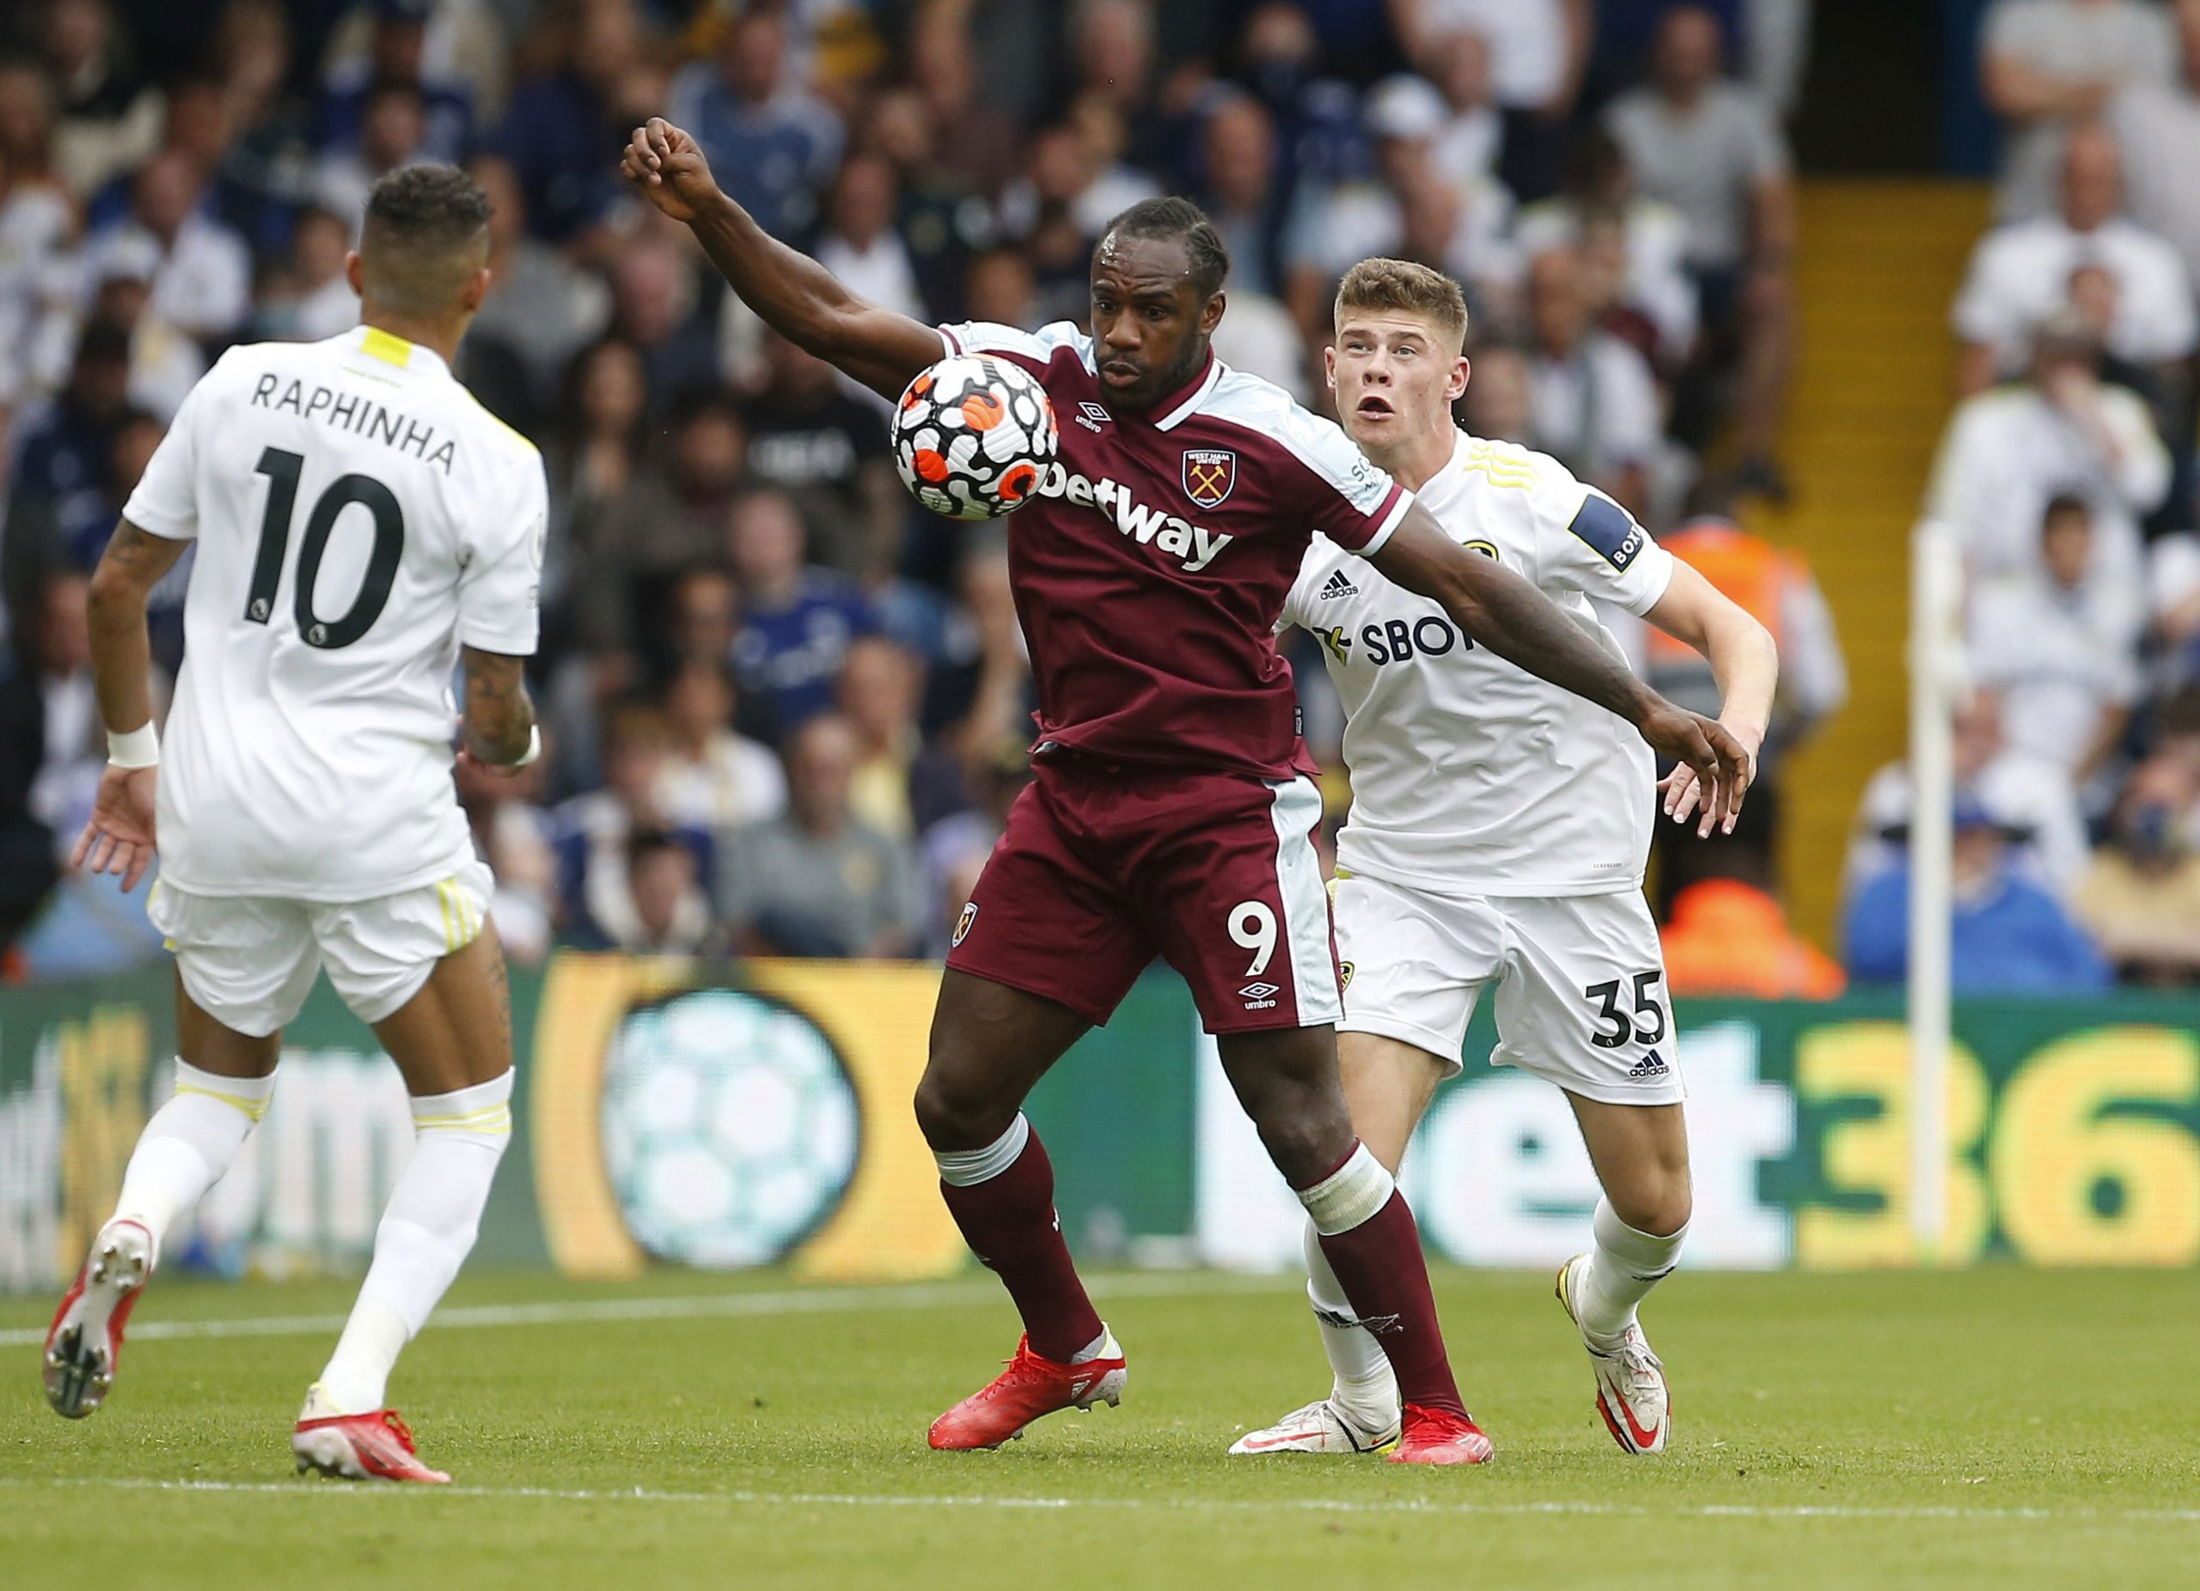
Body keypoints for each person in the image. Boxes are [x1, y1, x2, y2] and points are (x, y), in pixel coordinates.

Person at [621, 116, 1744, 1466]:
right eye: (1103, 301)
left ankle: (1436, 1407)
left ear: (1211, 315)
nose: (1116, 332)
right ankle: (1063, 1340)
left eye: (1148, 312)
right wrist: (710, 210)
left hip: (1227, 816)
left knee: (1307, 1121)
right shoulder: (1028, 382)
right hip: (1076, 805)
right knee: (955, 1099)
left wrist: (1650, 704)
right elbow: (838, 321)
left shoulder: (1279, 445)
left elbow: (1471, 585)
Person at [46, 165, 546, 1485]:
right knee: (468, 1114)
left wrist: (127, 762)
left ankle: (136, 1221)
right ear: (480, 290)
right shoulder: (498, 461)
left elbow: (113, 590)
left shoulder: (239, 380)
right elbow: (491, 710)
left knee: (216, 1086)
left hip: (212, 801)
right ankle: (348, 1390)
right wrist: (517, 739)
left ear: (354, 273)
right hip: (374, 818)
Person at [1236, 258, 1776, 1460]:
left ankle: (1602, 1307)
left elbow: (1733, 628)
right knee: (1340, 1164)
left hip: (1575, 890)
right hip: (1402, 883)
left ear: (1456, 375)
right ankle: (1362, 1399)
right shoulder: (1297, 533)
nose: (1377, 367)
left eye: (1404, 349)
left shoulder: (1538, 502)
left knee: (1656, 1205)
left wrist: (1731, 734)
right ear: (1326, 370)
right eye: (1357, 346)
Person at [1843, 796, 2111, 992]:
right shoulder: (1887, 893)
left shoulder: (2032, 899)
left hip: (2030, 1030)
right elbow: (1868, 961)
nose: (1970, 849)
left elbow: (2088, 973)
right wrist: (1949, 902)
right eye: (1957, 838)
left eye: (1980, 838)